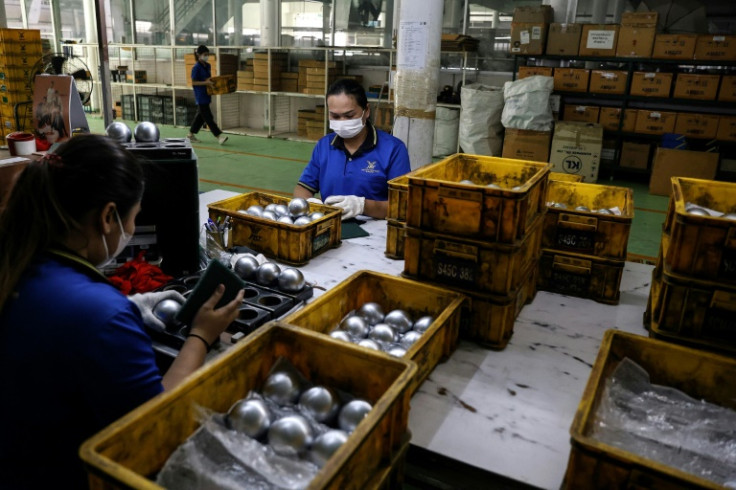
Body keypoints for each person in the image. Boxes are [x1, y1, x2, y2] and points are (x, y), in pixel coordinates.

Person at [0, 134, 244, 489]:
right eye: (133, 219)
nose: (131, 231)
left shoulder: (14, 259)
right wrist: (201, 336)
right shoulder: (102, 315)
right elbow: (151, 425)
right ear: (108, 217)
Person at [294, 78, 411, 220]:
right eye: (335, 116)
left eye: (349, 115)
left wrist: (363, 206)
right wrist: (309, 203)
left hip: (375, 233)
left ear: (366, 111)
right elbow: (303, 188)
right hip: (332, 225)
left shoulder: (393, 149)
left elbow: (403, 206)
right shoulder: (324, 146)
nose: (342, 122)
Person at [187, 45, 228, 145]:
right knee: (208, 117)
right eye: (205, 54)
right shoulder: (196, 68)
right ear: (198, 55)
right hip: (200, 95)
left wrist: (213, 85)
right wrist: (206, 83)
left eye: (207, 54)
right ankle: (219, 136)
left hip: (207, 94)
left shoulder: (208, 65)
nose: (206, 56)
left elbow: (208, 79)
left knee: (201, 117)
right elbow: (194, 82)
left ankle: (190, 135)